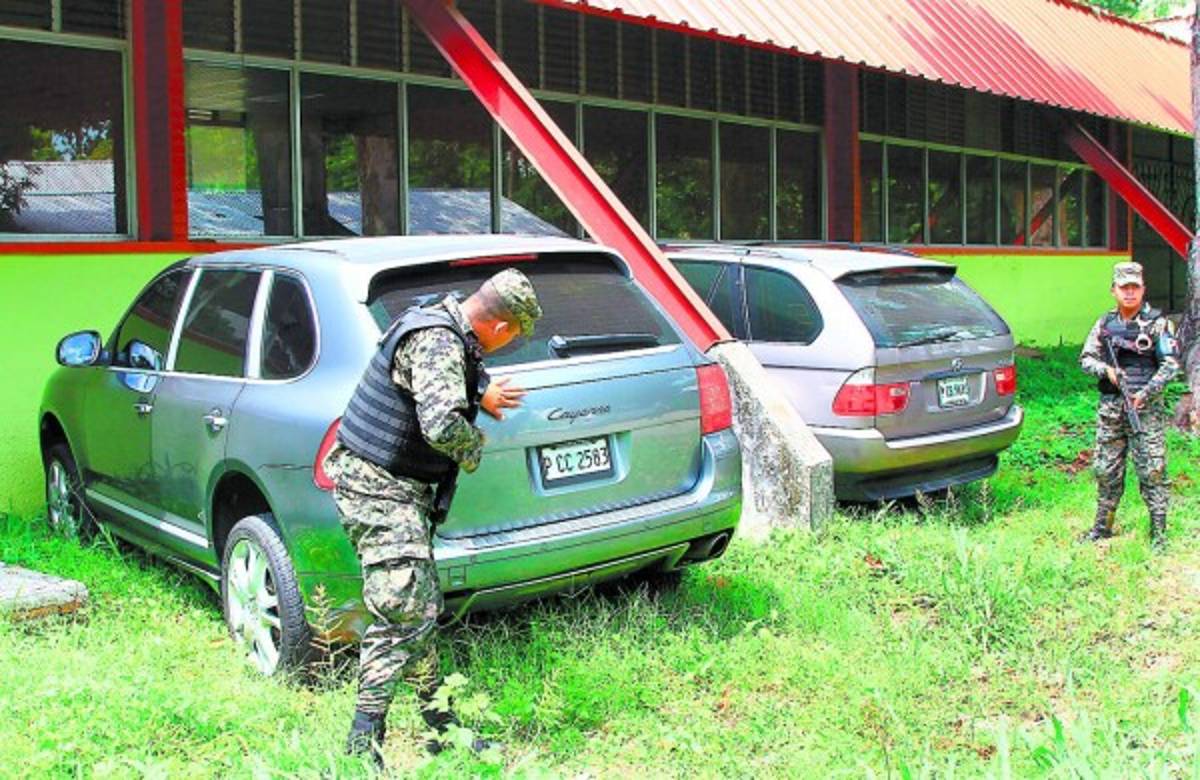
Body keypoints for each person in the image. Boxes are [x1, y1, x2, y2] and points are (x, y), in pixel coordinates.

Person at [323, 268, 542, 764]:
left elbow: (457, 369)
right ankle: (362, 745)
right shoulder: (438, 341)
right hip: (377, 489)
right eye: (512, 339)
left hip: (396, 490)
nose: (504, 348)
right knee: (400, 608)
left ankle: (442, 729)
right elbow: (442, 424)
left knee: (420, 608)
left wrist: (481, 391)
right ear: (503, 328)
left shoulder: (440, 318)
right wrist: (475, 447)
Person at [1078, 261, 1179, 550]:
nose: (1130, 293)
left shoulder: (1159, 324)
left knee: (1153, 470)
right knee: (1106, 470)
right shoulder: (1104, 324)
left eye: (1135, 287)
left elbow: (1171, 365)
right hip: (1111, 410)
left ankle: (1158, 535)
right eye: (1124, 288)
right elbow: (1086, 359)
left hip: (1145, 413)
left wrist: (1145, 392)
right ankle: (1102, 528)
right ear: (1114, 291)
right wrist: (1107, 371)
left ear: (1143, 289)